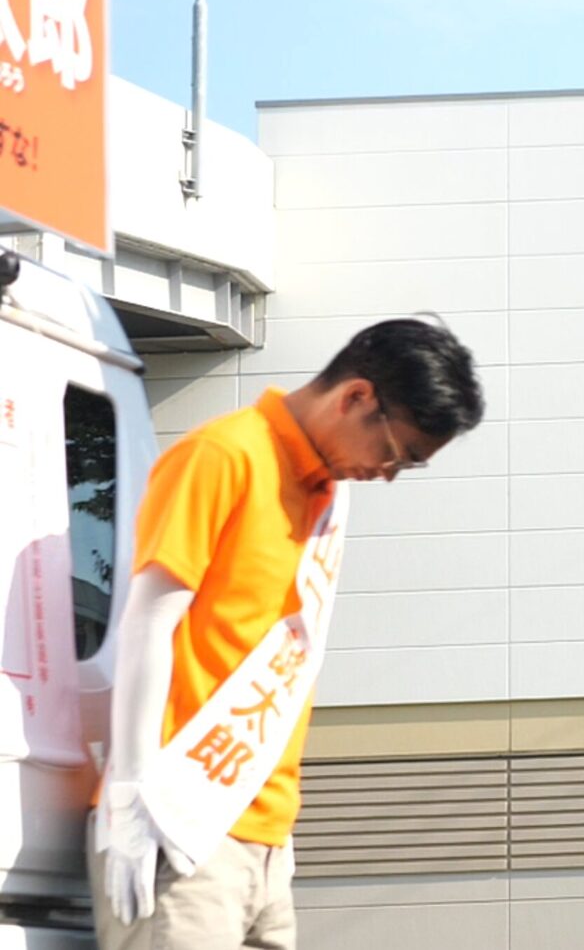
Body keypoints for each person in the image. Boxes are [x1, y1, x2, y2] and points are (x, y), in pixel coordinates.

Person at [91, 319, 485, 950]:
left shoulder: (324, 496)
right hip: (179, 822)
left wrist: (280, 840)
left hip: (264, 836)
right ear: (357, 396)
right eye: (396, 453)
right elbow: (149, 622)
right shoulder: (224, 455)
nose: (388, 474)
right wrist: (133, 795)